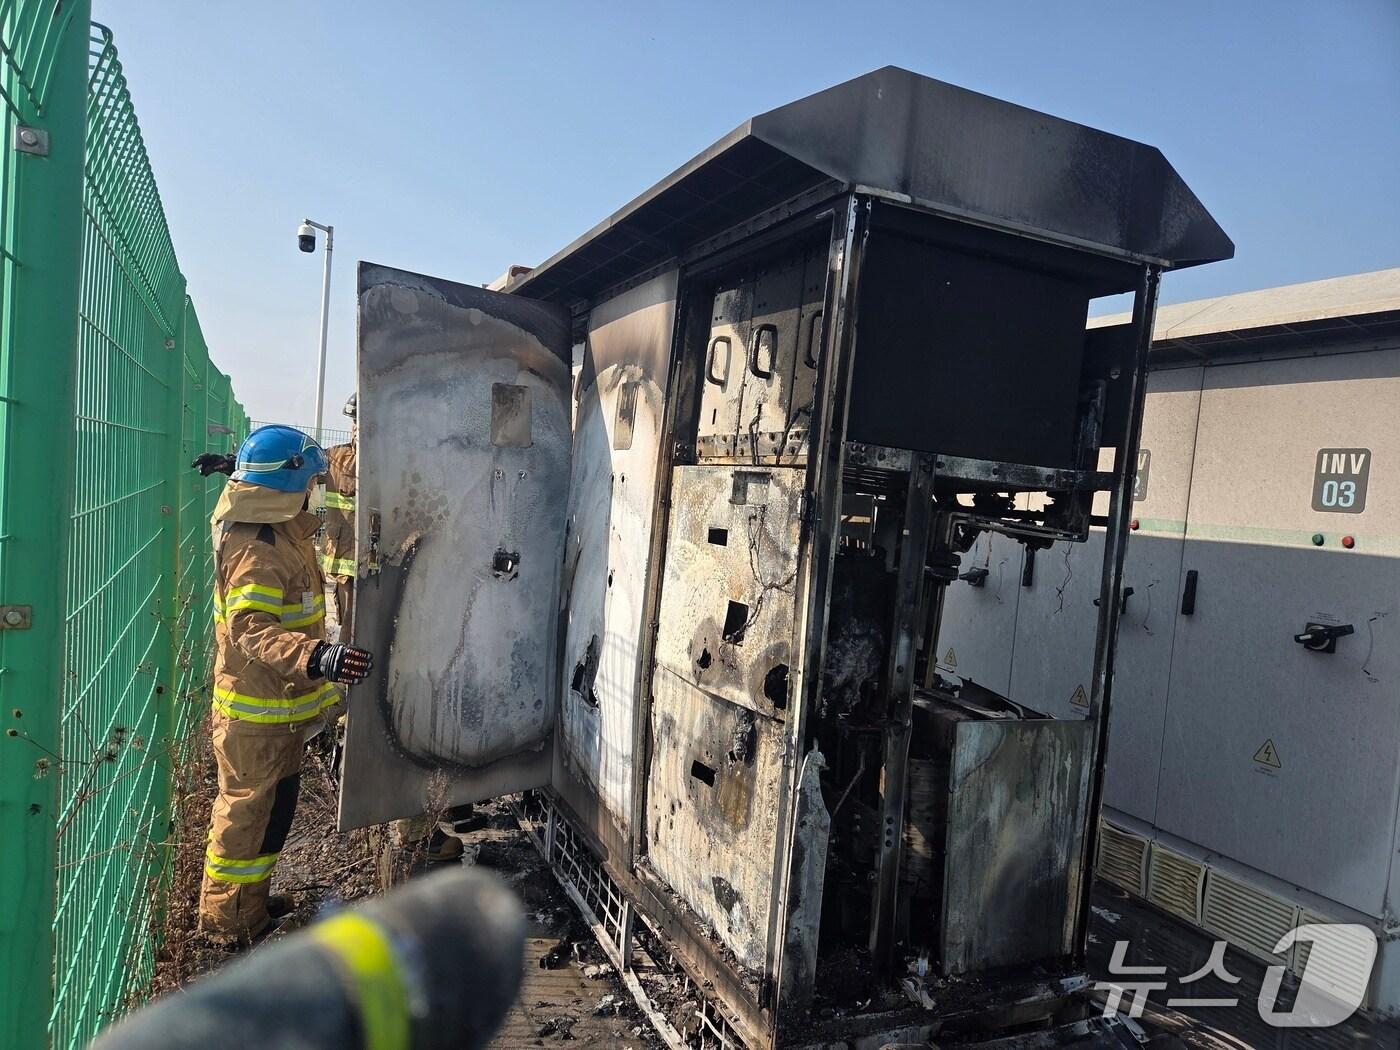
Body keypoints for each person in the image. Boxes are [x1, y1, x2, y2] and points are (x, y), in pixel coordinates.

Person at [191, 425, 374, 945]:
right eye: (311, 479)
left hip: (276, 706)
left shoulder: (267, 520)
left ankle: (252, 903)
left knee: (272, 809)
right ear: (286, 486)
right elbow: (253, 627)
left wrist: (243, 467)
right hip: (256, 713)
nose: (318, 488)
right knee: (246, 814)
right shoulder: (261, 548)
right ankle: (227, 925)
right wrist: (319, 655)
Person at [320, 393, 358, 633]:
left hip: (382, 566)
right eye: (354, 421)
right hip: (346, 566)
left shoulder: (398, 459)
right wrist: (235, 462)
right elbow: (293, 462)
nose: (356, 428)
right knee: (349, 629)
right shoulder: (335, 459)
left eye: (361, 420)